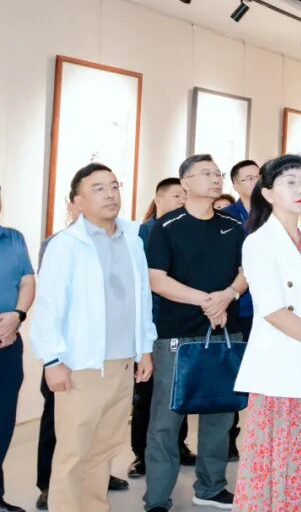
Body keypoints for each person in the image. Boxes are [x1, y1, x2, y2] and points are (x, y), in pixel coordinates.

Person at [30, 163, 156, 512]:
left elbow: (142, 298)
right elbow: (49, 307)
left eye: (114, 186)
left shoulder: (132, 239)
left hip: (122, 362)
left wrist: (144, 349)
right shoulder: (66, 245)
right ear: (77, 201)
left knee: (103, 450)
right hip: (81, 364)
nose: (110, 194)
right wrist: (52, 360)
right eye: (98, 188)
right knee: (74, 452)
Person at [233, 155, 301, 512]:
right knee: (282, 456)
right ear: (268, 193)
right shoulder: (259, 242)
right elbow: (274, 311)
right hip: (281, 367)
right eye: (290, 182)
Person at [144, 154, 248, 512]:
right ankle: (157, 497)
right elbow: (157, 280)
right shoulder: (166, 226)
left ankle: (211, 487)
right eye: (206, 173)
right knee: (166, 421)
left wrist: (228, 295)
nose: (216, 178)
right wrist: (208, 301)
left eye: (218, 173)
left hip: (225, 334)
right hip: (178, 337)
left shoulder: (233, 226)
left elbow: (246, 271)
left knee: (220, 415)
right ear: (185, 183)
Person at [131, 178, 194, 480]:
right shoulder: (143, 234)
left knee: (178, 389)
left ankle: (178, 446)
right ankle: (141, 455)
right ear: (158, 199)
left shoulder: (185, 230)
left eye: (185, 196)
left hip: (178, 323)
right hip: (151, 324)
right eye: (176, 195)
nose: (182, 201)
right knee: (147, 394)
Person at [221, 159, 260, 459]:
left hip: (266, 308)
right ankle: (228, 437)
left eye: (258, 176)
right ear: (235, 184)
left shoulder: (271, 214)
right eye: (248, 178)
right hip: (238, 306)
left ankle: (257, 436)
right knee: (233, 374)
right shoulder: (228, 217)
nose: (255, 181)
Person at [1, 185, 36, 512]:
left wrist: (17, 315)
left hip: (8, 341)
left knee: (3, 420)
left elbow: (27, 280)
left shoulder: (13, 238)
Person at [221, 160, 260, 226]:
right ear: (236, 187)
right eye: (250, 178)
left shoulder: (275, 210)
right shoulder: (224, 216)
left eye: (259, 177)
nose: (257, 181)